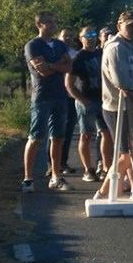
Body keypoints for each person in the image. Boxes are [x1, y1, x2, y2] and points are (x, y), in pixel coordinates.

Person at [96, 10, 133, 200]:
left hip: (131, 106)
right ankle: (102, 192)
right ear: (119, 27)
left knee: (128, 153)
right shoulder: (115, 48)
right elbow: (121, 81)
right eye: (130, 26)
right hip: (117, 107)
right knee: (126, 154)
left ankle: (120, 192)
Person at [22, 12, 73, 193]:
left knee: (58, 137)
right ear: (39, 25)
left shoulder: (59, 44)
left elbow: (69, 67)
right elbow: (42, 71)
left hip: (60, 95)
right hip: (42, 97)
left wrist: (51, 64)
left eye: (54, 22)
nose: (53, 25)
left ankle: (55, 176)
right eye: (49, 22)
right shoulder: (32, 45)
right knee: (35, 136)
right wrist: (58, 64)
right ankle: (28, 178)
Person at [65, 26, 112, 183]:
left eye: (93, 34)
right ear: (81, 39)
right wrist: (82, 100)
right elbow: (69, 84)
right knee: (86, 135)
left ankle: (105, 168)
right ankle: (88, 169)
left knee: (106, 133)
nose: (90, 38)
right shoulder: (78, 58)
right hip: (86, 100)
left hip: (103, 100)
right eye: (87, 35)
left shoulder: (101, 54)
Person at [57, 27, 79, 176]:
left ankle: (63, 162)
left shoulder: (75, 54)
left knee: (68, 131)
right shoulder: (54, 52)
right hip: (57, 95)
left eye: (70, 36)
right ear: (59, 37)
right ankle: (52, 164)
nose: (67, 38)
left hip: (71, 97)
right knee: (56, 132)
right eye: (65, 35)